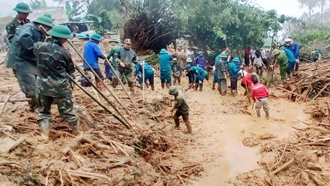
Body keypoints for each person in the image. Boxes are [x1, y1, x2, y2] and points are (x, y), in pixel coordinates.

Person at [34, 25, 78, 137]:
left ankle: (45, 135)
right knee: (68, 112)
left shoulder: (39, 46)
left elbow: (35, 53)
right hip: (60, 88)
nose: (67, 40)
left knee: (43, 113)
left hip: (43, 87)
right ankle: (77, 132)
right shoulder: (64, 52)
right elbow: (70, 70)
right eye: (66, 38)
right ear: (62, 38)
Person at [6, 16, 53, 111]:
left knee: (38, 84)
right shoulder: (29, 28)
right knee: (31, 86)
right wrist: (39, 46)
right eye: (48, 28)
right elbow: (25, 40)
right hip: (19, 61)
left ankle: (37, 105)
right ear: (42, 25)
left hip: (29, 60)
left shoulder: (40, 32)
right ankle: (37, 109)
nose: (48, 30)